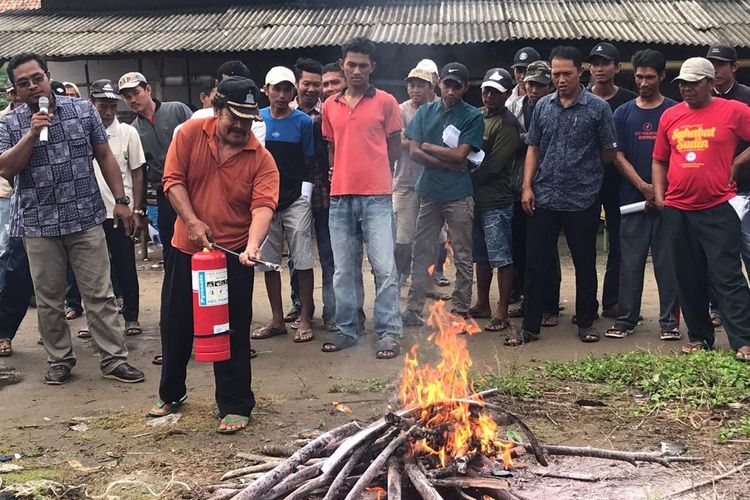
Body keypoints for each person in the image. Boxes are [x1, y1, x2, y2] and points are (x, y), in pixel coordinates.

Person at [0, 52, 144, 384]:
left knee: (100, 293)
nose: (33, 86)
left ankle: (113, 358)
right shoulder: (9, 123)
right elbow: (7, 168)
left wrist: (121, 201)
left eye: (37, 78)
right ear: (16, 90)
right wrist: (32, 133)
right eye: (24, 84)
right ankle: (59, 359)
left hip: (86, 218)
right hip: (38, 224)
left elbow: (105, 154)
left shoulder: (83, 111)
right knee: (50, 299)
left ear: (48, 76)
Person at [155, 76, 278, 432]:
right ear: (217, 108)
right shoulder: (189, 135)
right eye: (233, 117)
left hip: (233, 256)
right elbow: (172, 181)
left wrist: (253, 246)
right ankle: (171, 393)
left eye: (247, 119)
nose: (241, 126)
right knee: (175, 325)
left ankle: (235, 404)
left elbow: (263, 207)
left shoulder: (262, 158)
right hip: (186, 250)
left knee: (233, 329)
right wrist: (192, 222)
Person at [514, 46, 618, 346]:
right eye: (556, 74)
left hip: (582, 199)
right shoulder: (543, 106)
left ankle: (586, 322)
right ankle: (530, 327)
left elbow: (609, 152)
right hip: (543, 196)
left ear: (580, 72)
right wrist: (527, 186)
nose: (561, 80)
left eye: (566, 74)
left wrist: (584, 172)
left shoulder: (598, 109)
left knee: (585, 263)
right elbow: (533, 147)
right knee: (536, 264)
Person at [653, 57, 750, 362]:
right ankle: (700, 337)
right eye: (682, 83)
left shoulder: (734, 111)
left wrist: (738, 161)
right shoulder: (670, 116)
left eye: (694, 83)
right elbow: (659, 159)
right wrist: (660, 196)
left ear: (711, 83)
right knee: (687, 276)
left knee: (727, 276)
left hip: (718, 207)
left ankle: (743, 341)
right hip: (678, 209)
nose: (687, 89)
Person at [321, 37, 403, 358]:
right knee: (343, 269)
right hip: (340, 197)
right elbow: (332, 146)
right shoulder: (330, 105)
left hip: (378, 197)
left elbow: (394, 147)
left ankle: (388, 331)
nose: (356, 71)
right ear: (342, 64)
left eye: (363, 66)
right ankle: (347, 329)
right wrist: (338, 172)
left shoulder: (386, 102)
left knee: (384, 267)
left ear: (373, 68)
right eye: (351, 64)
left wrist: (378, 172)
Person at [402, 62, 484, 326]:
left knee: (462, 253)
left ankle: (460, 309)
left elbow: (462, 154)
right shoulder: (426, 111)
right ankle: (413, 309)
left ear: (465, 87)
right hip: (430, 192)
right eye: (447, 85)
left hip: (459, 194)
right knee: (421, 250)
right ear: (439, 85)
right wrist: (448, 161)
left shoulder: (472, 116)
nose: (450, 91)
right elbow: (414, 151)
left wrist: (429, 147)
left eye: (456, 86)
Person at [605, 49, 679, 340]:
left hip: (667, 201)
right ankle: (626, 320)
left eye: (650, 77)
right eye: (639, 77)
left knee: (667, 262)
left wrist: (659, 192)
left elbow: (678, 156)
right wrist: (644, 187)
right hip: (632, 199)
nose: (644, 82)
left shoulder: (674, 112)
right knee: (630, 261)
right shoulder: (622, 113)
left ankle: (669, 323)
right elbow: (617, 155)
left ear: (662, 76)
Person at [251, 66, 316, 343]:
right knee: (268, 262)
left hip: (294, 200)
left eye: (287, 89)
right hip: (266, 201)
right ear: (265, 89)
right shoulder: (257, 120)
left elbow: (310, 162)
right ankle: (277, 319)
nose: (281, 94)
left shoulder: (303, 122)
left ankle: (305, 317)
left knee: (302, 260)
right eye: (276, 88)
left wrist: (305, 197)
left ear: (293, 92)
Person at [87, 79, 146, 337]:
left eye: (112, 106)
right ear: (92, 104)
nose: (108, 112)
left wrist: (137, 210)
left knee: (124, 265)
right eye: (102, 106)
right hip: (90, 213)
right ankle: (98, 321)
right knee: (94, 271)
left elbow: (137, 174)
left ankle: (131, 317)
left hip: (120, 212)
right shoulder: (83, 131)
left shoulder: (128, 133)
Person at [118, 71, 192, 269]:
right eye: (127, 96)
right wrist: (139, 210)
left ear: (148, 89)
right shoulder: (133, 131)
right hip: (165, 193)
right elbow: (139, 172)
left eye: (136, 93)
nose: (133, 100)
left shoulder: (177, 110)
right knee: (171, 245)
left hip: (194, 187)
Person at [507, 61, 562, 326]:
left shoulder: (554, 108)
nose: (534, 89)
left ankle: (550, 305)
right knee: (522, 249)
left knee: (546, 252)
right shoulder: (516, 106)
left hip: (547, 185)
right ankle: (528, 302)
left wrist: (524, 139)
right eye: (530, 83)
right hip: (519, 184)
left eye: (540, 84)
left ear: (549, 85)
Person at [285, 58, 337, 332]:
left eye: (317, 84)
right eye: (307, 83)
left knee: (329, 256)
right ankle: (300, 307)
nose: (312, 89)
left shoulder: (329, 111)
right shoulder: (287, 113)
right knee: (297, 257)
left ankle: (332, 310)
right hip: (296, 198)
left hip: (326, 196)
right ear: (297, 84)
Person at [588, 42, 638, 319]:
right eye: (595, 63)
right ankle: (587, 305)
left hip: (619, 184)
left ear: (617, 68)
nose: (600, 68)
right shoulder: (582, 98)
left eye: (605, 63)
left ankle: (612, 301)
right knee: (584, 247)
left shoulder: (628, 102)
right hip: (586, 184)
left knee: (619, 244)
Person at [469, 68, 521, 332]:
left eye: (496, 92)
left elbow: (493, 166)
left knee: (501, 256)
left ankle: (502, 309)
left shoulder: (508, 125)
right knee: (481, 255)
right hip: (475, 200)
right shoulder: (476, 116)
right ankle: (482, 303)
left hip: (497, 201)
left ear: (507, 94)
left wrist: (460, 175)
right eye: (487, 90)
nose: (489, 96)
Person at [393, 63, 437, 288]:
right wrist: (424, 145)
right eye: (412, 85)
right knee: (403, 237)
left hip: (434, 182)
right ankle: (399, 276)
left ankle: (425, 282)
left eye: (421, 85)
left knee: (431, 238)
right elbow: (397, 142)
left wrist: (417, 145)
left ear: (432, 87)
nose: (415, 89)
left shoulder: (440, 107)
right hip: (406, 181)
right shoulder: (401, 110)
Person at [183, 60, 266, 146]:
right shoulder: (197, 119)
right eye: (232, 117)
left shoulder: (257, 123)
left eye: (246, 120)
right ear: (216, 111)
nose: (239, 125)